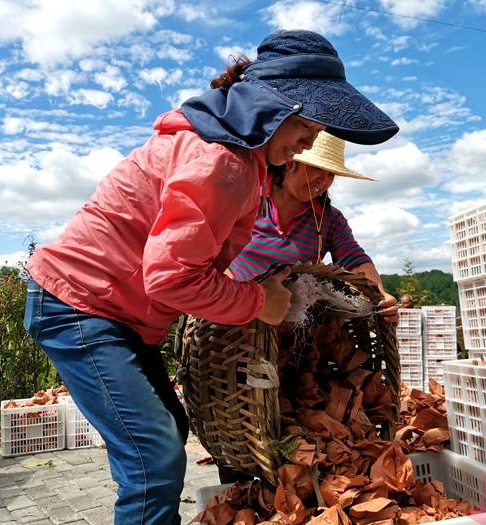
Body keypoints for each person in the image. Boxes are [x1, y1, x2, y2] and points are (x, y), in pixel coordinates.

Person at [22, 29, 398, 525]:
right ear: (272, 106)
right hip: (83, 306)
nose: (310, 143)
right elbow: (172, 276)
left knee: (166, 433)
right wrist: (257, 303)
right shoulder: (222, 162)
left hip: (119, 315)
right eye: (306, 128)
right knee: (154, 458)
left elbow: (347, 254)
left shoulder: (241, 159)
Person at [227, 130, 399, 324]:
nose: (323, 181)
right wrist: (233, 291)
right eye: (317, 168)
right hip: (234, 306)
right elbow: (212, 245)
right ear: (290, 163)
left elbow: (354, 258)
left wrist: (379, 294)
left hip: (292, 318)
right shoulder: (248, 195)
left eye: (331, 174)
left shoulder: (330, 219)